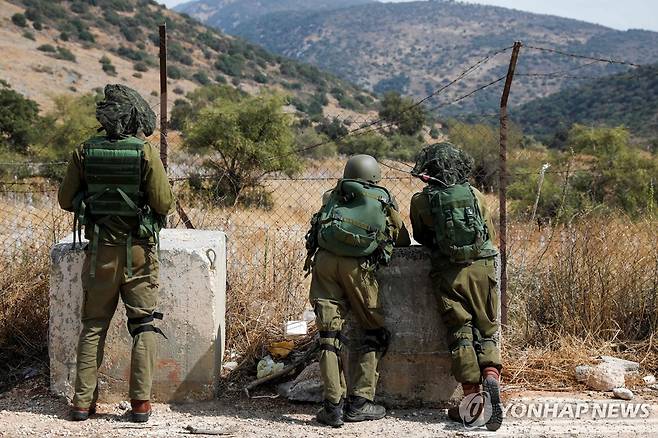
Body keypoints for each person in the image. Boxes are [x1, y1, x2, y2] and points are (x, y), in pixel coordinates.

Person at [58, 84, 174, 423]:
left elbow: (66, 200)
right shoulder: (145, 152)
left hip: (100, 256)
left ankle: (81, 403)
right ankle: (140, 405)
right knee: (143, 325)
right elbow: (164, 203)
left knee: (94, 325)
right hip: (138, 252)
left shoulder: (84, 151)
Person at [304, 154, 410, 428]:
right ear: (375, 175)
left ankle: (333, 407)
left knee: (329, 336)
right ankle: (360, 402)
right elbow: (402, 238)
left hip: (325, 263)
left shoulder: (333, 194)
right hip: (359, 270)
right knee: (374, 332)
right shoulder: (382, 198)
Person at [409, 143, 503, 431]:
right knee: (487, 327)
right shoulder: (475, 194)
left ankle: (472, 403)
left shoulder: (421, 201)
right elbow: (489, 232)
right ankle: (491, 374)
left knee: (460, 331)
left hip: (448, 273)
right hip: (483, 266)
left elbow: (422, 238)